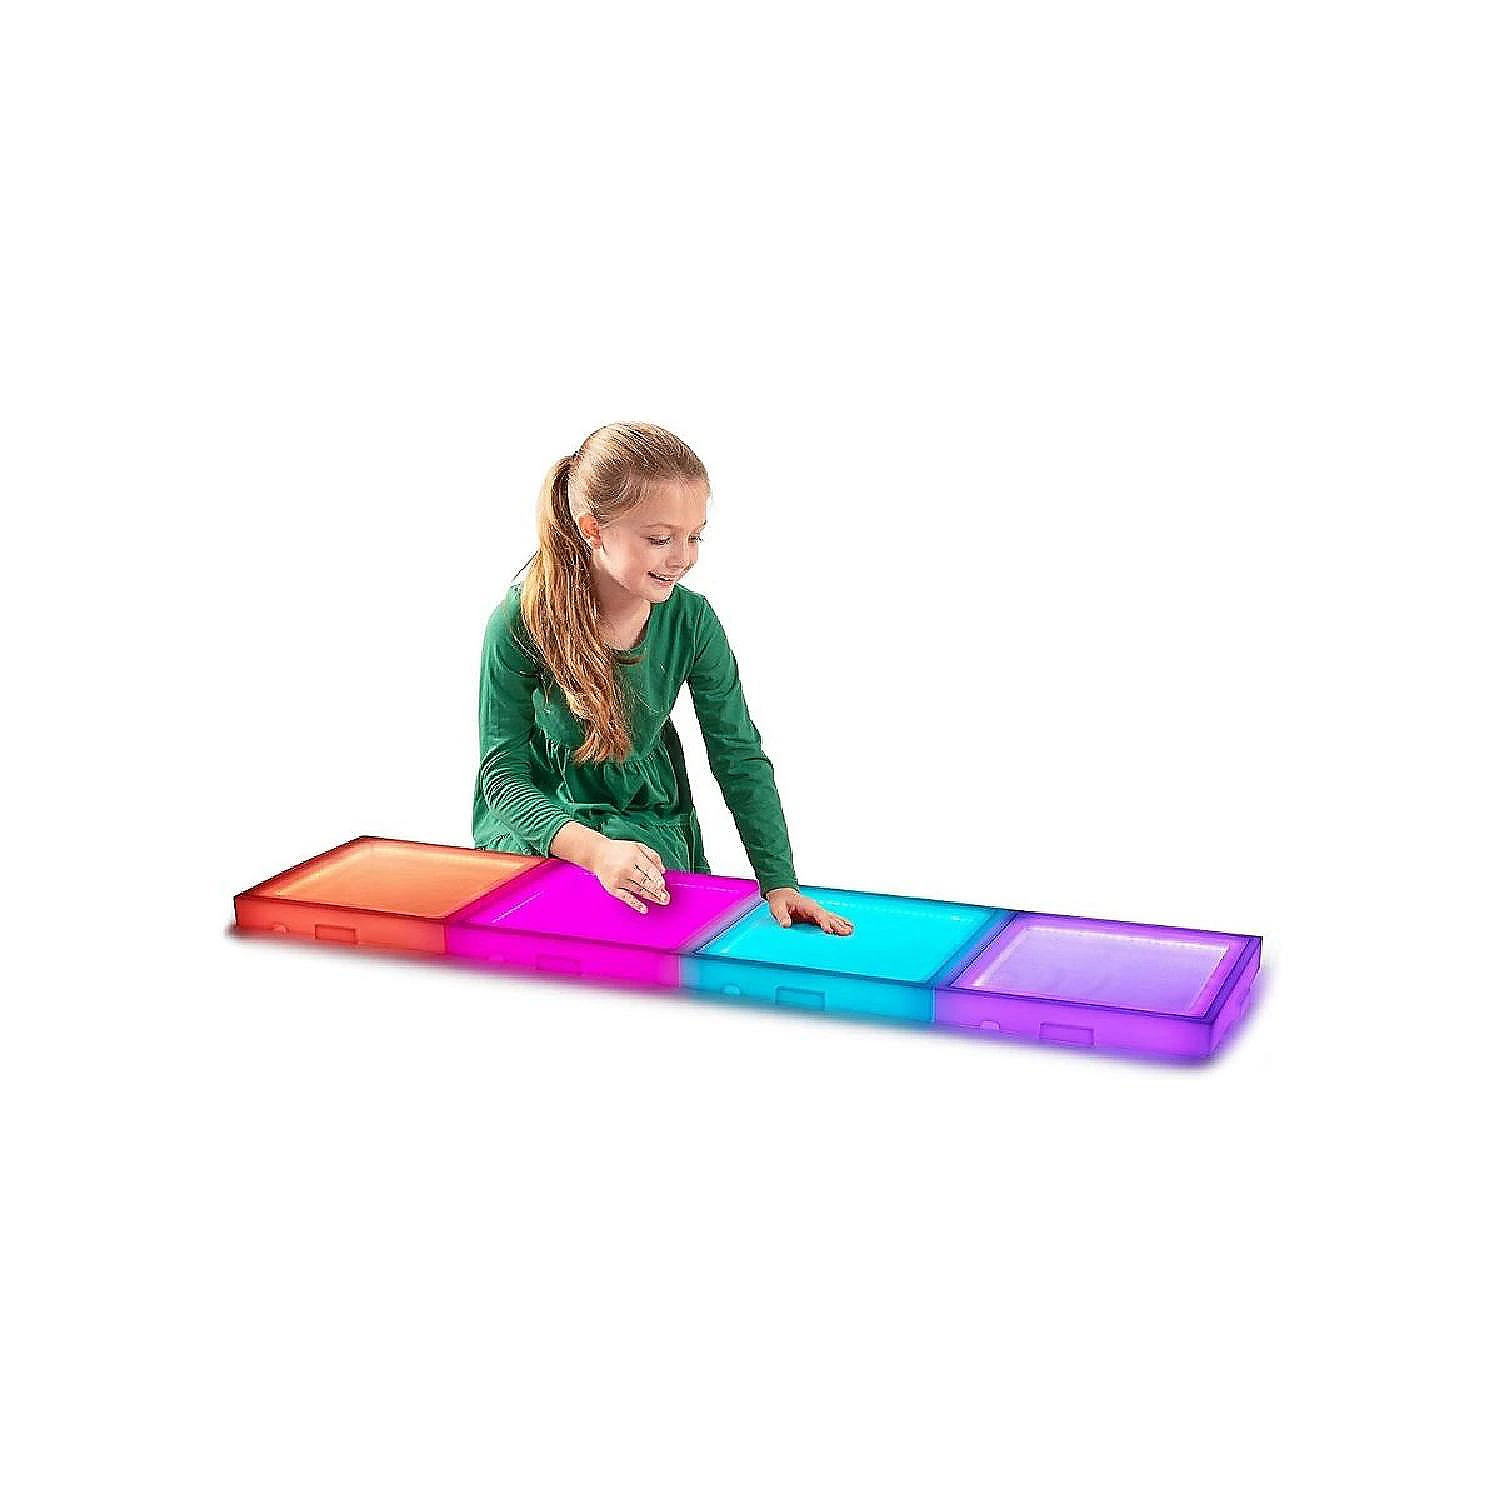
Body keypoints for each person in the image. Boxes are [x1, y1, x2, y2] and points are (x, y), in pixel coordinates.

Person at [472, 421, 854, 936]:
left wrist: (779, 882)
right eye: (659, 539)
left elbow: (738, 755)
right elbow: (502, 777)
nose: (683, 558)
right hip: (544, 819)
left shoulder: (693, 621)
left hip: (644, 812)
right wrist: (595, 852)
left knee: (653, 911)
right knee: (572, 913)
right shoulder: (518, 620)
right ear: (593, 529)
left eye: (695, 537)